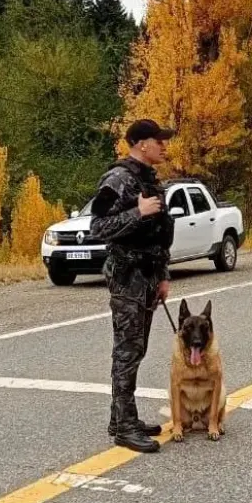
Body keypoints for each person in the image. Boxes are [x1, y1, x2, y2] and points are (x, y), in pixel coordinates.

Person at [90, 119, 176, 454]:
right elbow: (97, 226)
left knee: (136, 349)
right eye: (159, 141)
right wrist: (136, 213)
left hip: (149, 274)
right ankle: (124, 427)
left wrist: (164, 275)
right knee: (127, 351)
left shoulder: (149, 179)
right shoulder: (118, 178)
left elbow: (160, 233)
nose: (164, 146)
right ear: (141, 144)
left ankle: (123, 417)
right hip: (127, 275)